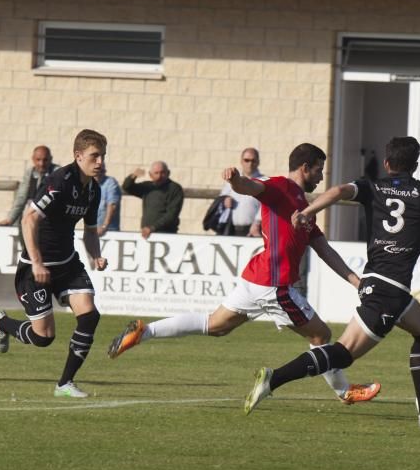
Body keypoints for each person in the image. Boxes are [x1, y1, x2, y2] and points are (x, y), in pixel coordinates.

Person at [108, 143, 381, 406]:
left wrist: (357, 282)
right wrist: (236, 180)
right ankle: (345, 391)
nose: (321, 177)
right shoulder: (280, 187)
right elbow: (250, 187)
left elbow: (324, 250)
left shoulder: (305, 207)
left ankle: (145, 332)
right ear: (305, 167)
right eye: (319, 169)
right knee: (321, 335)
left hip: (256, 280)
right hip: (275, 286)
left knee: (216, 326)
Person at [244, 136, 420, 431]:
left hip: (378, 281)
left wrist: (307, 212)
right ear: (415, 165)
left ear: (386, 164)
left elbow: (336, 191)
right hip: (390, 288)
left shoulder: (373, 187)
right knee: (343, 354)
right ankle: (275, 378)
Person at [0, 129, 108, 398]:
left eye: (102, 156)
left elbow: (90, 231)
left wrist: (95, 255)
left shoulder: (93, 191)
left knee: (90, 316)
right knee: (43, 337)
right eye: (94, 156)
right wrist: (37, 263)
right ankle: (3, 323)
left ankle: (64, 384)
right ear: (78, 156)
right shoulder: (59, 182)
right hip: (35, 269)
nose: (100, 161)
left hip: (67, 264)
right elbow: (29, 219)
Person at [0, 145, 56, 226]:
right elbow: (21, 198)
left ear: (50, 159)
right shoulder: (30, 173)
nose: (41, 164)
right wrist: (10, 220)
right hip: (31, 219)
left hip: (50, 220)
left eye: (45, 160)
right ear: (33, 159)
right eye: (38, 160)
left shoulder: (57, 173)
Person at [122, 161, 184, 239]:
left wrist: (152, 228)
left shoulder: (175, 189)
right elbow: (127, 187)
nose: (159, 176)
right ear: (150, 175)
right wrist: (134, 176)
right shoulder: (148, 187)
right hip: (146, 233)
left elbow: (172, 214)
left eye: (162, 173)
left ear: (168, 173)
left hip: (166, 233)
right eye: (156, 173)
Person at [219, 147, 263, 237]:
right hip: (231, 229)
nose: (250, 163)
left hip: (253, 231)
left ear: (258, 162)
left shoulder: (263, 181)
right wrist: (226, 199)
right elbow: (222, 197)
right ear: (241, 161)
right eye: (247, 160)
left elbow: (266, 205)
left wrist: (257, 223)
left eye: (253, 160)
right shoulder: (233, 178)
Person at [95, 165, 121, 236]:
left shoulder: (110, 182)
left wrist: (104, 226)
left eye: (100, 171)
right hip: (93, 231)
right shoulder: (90, 184)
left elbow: (112, 205)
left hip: (109, 232)